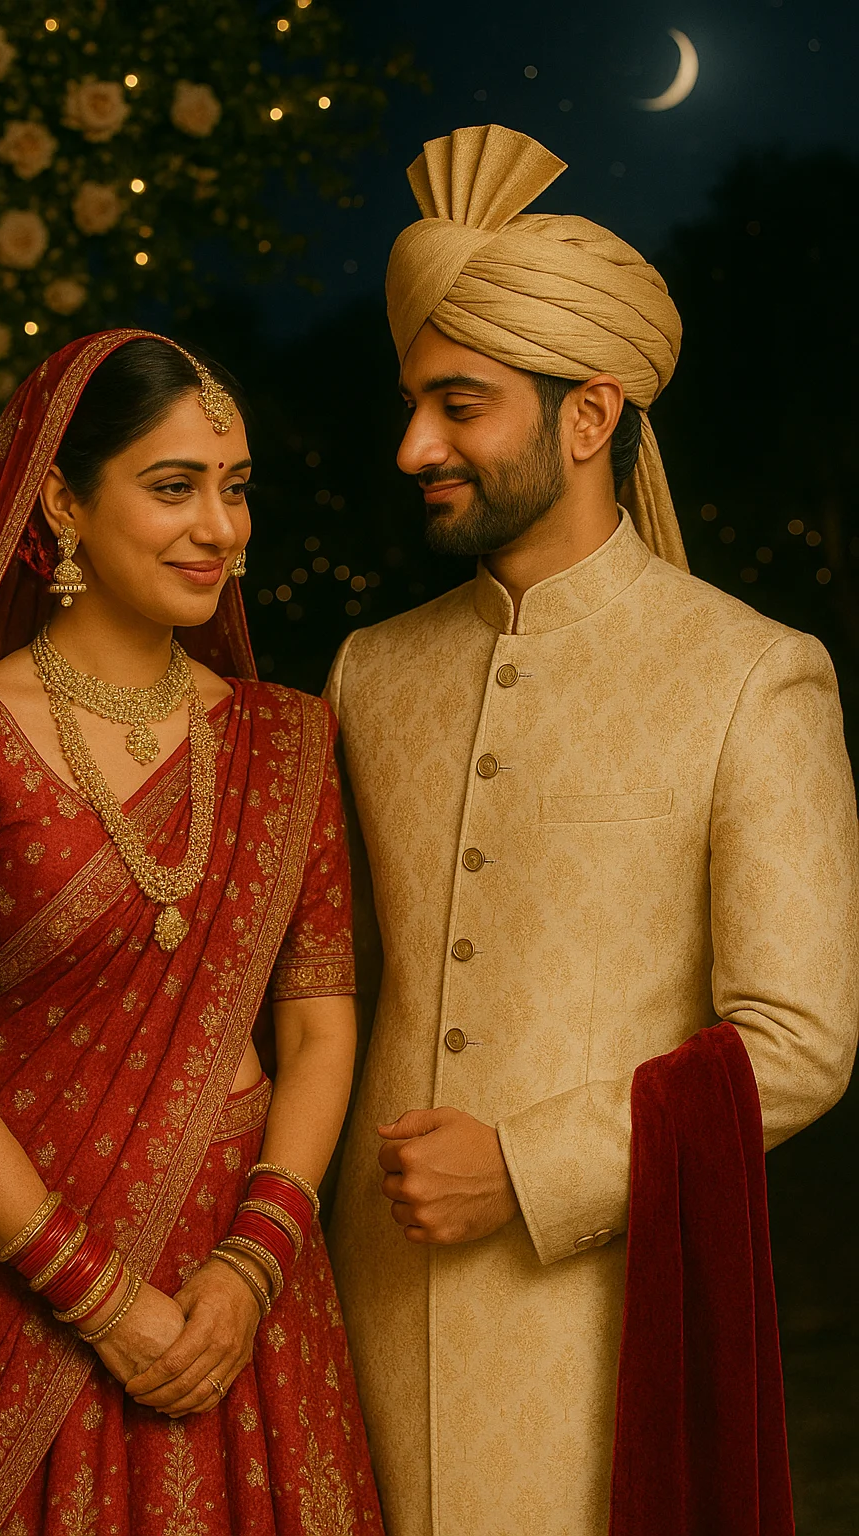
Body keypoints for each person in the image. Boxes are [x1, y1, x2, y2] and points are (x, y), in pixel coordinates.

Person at [325, 125, 859, 1536]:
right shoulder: (369, 674)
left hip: (600, 1334)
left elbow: (798, 1037)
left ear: (589, 413)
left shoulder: (752, 671)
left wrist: (526, 1164)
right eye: (412, 401)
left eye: (459, 404)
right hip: (353, 1320)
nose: (414, 447)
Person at [0, 330, 385, 1536]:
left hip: (242, 1294)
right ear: (61, 502)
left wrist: (250, 1268)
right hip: (6, 1282)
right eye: (173, 486)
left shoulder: (287, 744)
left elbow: (320, 1031)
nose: (219, 530)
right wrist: (105, 1301)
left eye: (235, 489)